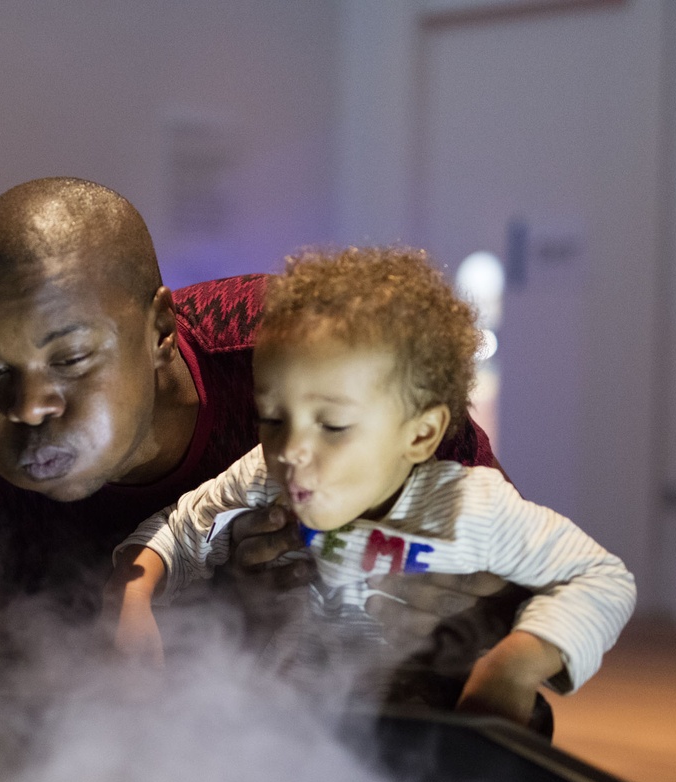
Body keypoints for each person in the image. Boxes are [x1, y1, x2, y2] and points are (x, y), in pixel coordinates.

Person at [0, 176, 507, 664]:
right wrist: (233, 610)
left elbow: (501, 554)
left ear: (161, 331)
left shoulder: (311, 359)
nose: (28, 406)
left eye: (69, 359)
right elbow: (66, 721)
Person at [108, 247, 636, 724]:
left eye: (333, 426)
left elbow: (602, 578)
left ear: (421, 433)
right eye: (272, 418)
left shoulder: (469, 507)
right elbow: (183, 527)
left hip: (417, 731)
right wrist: (135, 595)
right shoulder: (265, 476)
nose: (291, 448)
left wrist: (511, 667)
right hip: (285, 729)